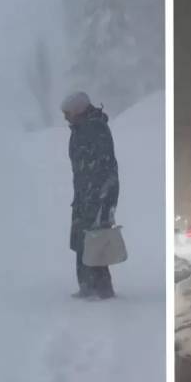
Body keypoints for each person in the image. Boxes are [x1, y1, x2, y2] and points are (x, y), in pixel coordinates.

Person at [62, 91, 119, 300]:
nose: (65, 117)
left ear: (78, 110)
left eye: (67, 112)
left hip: (98, 196)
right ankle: (87, 286)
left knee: (96, 241)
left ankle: (102, 289)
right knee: (81, 241)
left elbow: (104, 167)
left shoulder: (96, 128)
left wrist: (101, 197)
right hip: (83, 195)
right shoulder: (79, 130)